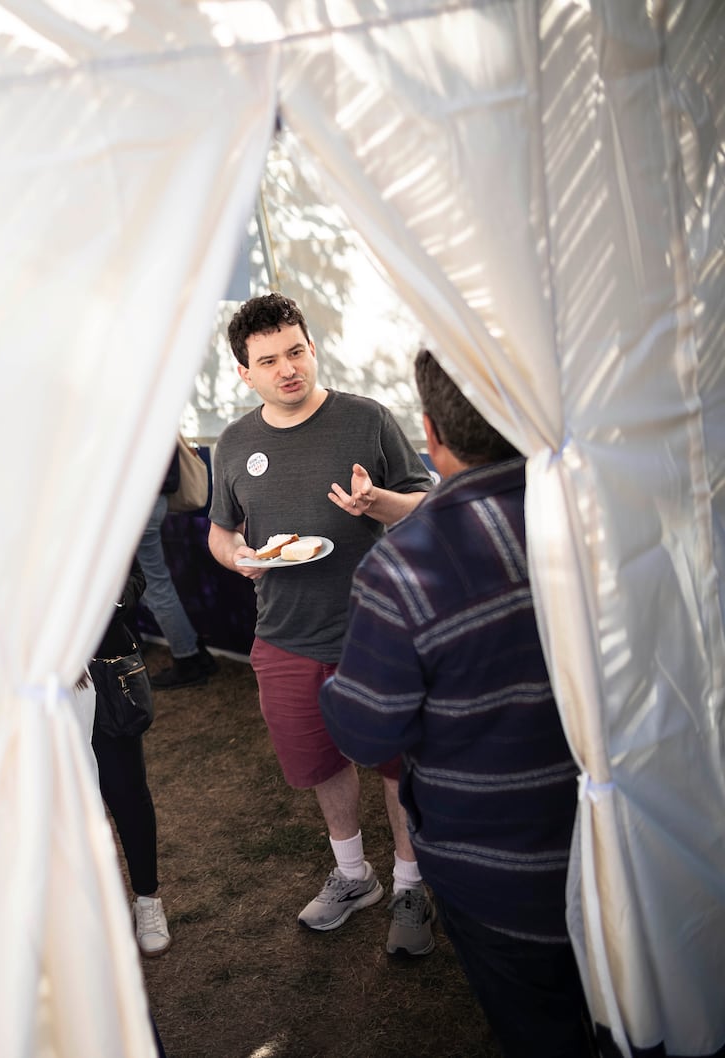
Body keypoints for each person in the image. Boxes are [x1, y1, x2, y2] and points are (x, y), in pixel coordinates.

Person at [319, 350, 591, 1055]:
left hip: (503, 872)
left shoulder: (405, 567)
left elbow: (369, 732)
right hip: (639, 842)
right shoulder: (602, 517)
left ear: (430, 433)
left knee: (539, 1030)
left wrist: (335, 686)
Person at [206, 292, 435, 954]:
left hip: (378, 632)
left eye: (297, 351)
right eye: (269, 360)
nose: (288, 369)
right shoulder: (234, 444)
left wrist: (378, 501)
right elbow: (221, 534)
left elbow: (423, 507)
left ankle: (410, 883)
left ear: (313, 349)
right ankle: (353, 874)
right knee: (319, 762)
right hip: (283, 636)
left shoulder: (367, 420)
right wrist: (240, 559)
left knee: (396, 763)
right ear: (244, 373)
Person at [88, 557, 172, 957]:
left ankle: (147, 900)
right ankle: (91, 912)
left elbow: (134, 576)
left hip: (103, 675)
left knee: (126, 792)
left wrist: (106, 602)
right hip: (36, 688)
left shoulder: (93, 504)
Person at [138, 452, 218, 689]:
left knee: (154, 587)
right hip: (152, 499)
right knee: (156, 584)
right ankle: (195, 654)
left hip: (137, 503)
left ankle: (188, 660)